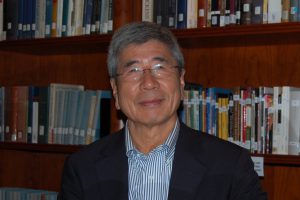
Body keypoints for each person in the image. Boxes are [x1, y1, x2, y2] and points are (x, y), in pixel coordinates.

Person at [58, 22, 267, 200]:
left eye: (160, 68)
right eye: (133, 70)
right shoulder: (82, 168)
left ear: (181, 81)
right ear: (115, 89)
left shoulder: (230, 165)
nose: (148, 83)